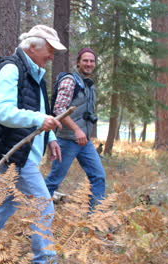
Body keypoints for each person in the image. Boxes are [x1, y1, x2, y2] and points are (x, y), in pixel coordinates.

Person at [0, 25, 66, 264]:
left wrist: (50, 138)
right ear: (32, 48)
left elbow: (41, 111)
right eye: (50, 50)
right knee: (43, 207)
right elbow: (3, 112)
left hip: (26, 151)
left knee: (4, 207)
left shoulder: (35, 74)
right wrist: (39, 120)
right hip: (15, 153)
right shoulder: (12, 69)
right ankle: (44, 260)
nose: (52, 57)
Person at [45, 47, 106, 207]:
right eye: (85, 60)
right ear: (78, 62)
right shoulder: (70, 81)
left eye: (92, 61)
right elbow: (59, 109)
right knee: (54, 181)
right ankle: (35, 216)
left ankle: (96, 220)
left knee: (98, 176)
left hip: (84, 141)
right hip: (66, 140)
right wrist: (76, 129)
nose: (89, 64)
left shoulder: (88, 84)